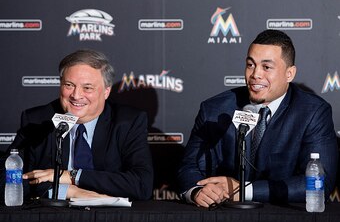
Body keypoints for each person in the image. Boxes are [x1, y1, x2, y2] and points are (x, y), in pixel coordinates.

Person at [177, 30, 338, 207]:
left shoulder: (313, 112)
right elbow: (189, 167)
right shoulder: (215, 109)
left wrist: (244, 191)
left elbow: (320, 183)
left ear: (289, 74)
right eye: (250, 65)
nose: (255, 75)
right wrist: (198, 192)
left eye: (266, 67)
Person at [0, 49, 153, 202]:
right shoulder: (38, 120)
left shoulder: (127, 122)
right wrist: (66, 191)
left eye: (87, 88)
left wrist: (71, 176)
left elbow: (141, 184)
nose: (76, 95)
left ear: (106, 91)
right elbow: (5, 178)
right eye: (69, 85)